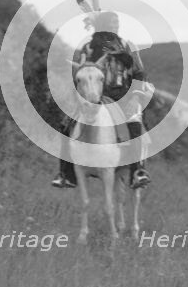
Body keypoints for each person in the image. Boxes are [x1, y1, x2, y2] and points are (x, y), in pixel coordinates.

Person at [52, 10, 152, 190]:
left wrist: (135, 96)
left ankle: (137, 171)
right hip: (94, 97)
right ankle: (65, 174)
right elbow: (81, 73)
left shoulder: (127, 45)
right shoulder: (89, 48)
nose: (116, 26)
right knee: (67, 125)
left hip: (124, 96)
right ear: (103, 25)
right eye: (112, 23)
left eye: (117, 23)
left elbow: (139, 72)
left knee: (135, 125)